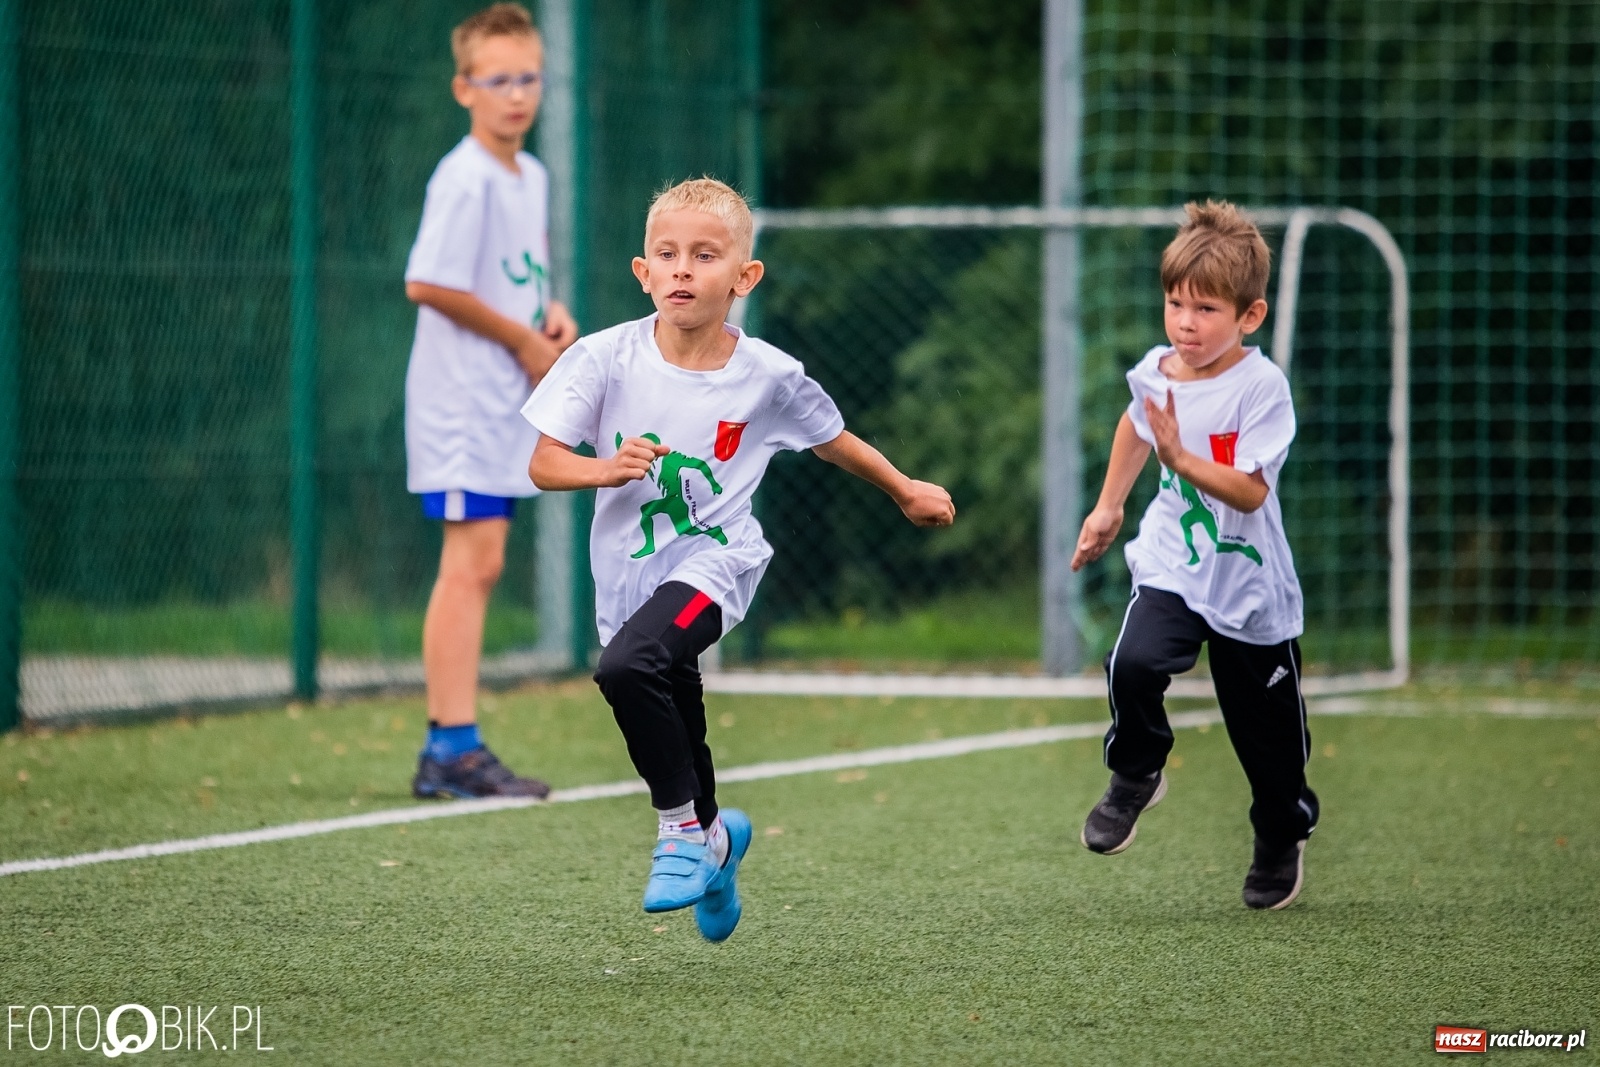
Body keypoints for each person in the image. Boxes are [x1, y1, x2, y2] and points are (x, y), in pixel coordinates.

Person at [522, 178, 955, 940]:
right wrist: (605, 468)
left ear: (744, 277)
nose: (683, 270)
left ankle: (679, 833)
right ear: (643, 272)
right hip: (629, 577)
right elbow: (543, 462)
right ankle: (717, 841)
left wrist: (904, 488)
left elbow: (833, 440)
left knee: (627, 667)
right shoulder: (603, 358)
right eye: (667, 255)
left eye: (704, 255)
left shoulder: (768, 375)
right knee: (669, 699)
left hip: (717, 562)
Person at [1070, 200, 1319, 911]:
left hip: (1250, 587)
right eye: (1175, 303)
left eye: (1206, 309)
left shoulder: (1262, 388)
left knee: (1271, 751)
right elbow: (1135, 424)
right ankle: (1137, 771)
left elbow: (1249, 491)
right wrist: (1109, 506)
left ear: (1249, 315)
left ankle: (1280, 834)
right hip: (1173, 562)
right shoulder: (1157, 370)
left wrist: (1181, 457)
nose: (1185, 322)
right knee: (1132, 664)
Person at [404, 3, 578, 799]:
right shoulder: (463, 176)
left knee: (486, 560)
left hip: (504, 399)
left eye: (528, 78)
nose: (516, 95)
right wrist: (521, 341)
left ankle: (455, 745)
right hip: (459, 403)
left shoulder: (530, 175)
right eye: (498, 80)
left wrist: (550, 316)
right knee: (469, 565)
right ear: (463, 88)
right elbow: (428, 282)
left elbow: (514, 276)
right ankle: (450, 747)